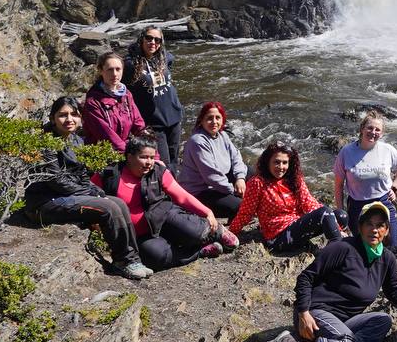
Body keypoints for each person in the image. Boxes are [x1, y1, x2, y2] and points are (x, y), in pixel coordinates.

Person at [254, 201, 397, 342]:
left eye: (380, 225)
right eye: (369, 224)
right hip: (314, 314)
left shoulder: (387, 259)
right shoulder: (343, 248)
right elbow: (306, 277)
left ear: (386, 230)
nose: (374, 230)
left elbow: (394, 290)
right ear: (360, 226)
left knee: (383, 321)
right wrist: (303, 312)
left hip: (343, 323)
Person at [23, 97, 153, 280]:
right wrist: (91, 194)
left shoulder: (77, 140)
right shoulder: (46, 143)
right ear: (53, 118)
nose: (69, 119)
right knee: (108, 207)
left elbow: (82, 175)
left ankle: (133, 259)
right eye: (63, 115)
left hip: (67, 195)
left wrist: (96, 192)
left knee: (119, 204)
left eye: (74, 114)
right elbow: (55, 180)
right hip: (44, 202)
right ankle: (123, 262)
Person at [91, 134, 238, 270]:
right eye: (144, 157)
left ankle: (217, 232)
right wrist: (96, 224)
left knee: (195, 232)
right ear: (129, 157)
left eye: (151, 157)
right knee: (155, 257)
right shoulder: (109, 175)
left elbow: (182, 196)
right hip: (141, 234)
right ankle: (200, 252)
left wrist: (207, 212)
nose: (149, 162)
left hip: (164, 216)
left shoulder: (158, 171)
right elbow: (90, 196)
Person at [229, 140, 348, 251]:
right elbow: (246, 213)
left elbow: (309, 204)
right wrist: (231, 232)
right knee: (325, 213)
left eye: (284, 162)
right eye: (276, 162)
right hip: (278, 237)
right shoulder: (257, 183)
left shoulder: (295, 179)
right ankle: (337, 252)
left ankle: (333, 244)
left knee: (340, 216)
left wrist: (336, 226)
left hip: (297, 226)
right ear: (267, 162)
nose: (281, 167)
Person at [333, 110, 397, 253]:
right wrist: (341, 213)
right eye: (370, 128)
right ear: (362, 129)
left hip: (384, 203)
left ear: (382, 133)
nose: (373, 132)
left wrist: (394, 187)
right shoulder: (346, 152)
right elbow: (338, 185)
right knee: (363, 251)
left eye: (377, 129)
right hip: (357, 206)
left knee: (392, 249)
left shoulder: (387, 150)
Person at [124, 27, 184, 170]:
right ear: (141, 39)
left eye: (157, 40)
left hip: (174, 117)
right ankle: (164, 184)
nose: (153, 42)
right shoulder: (130, 64)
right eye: (149, 38)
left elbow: (170, 62)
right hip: (153, 122)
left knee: (174, 160)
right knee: (162, 163)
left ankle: (173, 183)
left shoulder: (164, 58)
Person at [177, 101, 246, 221]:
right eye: (209, 118)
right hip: (200, 192)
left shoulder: (222, 135)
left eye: (217, 118)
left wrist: (240, 178)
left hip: (218, 184)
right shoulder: (198, 142)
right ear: (202, 121)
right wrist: (235, 191)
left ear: (222, 120)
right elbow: (212, 177)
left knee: (250, 172)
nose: (214, 122)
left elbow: (236, 157)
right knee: (242, 205)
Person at [82, 52, 145, 153]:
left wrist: (150, 149)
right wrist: (130, 154)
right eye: (110, 70)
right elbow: (107, 137)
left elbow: (138, 125)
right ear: (101, 71)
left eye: (118, 69)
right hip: (103, 154)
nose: (115, 74)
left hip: (125, 149)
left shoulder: (126, 95)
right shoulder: (93, 101)